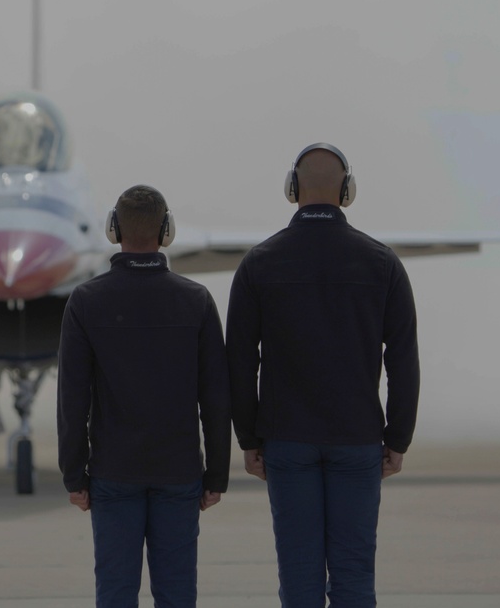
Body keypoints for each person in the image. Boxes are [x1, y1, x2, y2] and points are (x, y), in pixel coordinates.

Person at [226, 143, 421, 607]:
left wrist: (248, 438)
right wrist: (398, 438)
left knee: (298, 576)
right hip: (357, 439)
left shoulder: (259, 262)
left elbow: (237, 360)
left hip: (287, 440)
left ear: (292, 190)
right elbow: (403, 360)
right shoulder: (383, 263)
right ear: (347, 191)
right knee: (354, 574)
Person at [57, 184, 232, 608]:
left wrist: (74, 475)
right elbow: (215, 397)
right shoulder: (196, 300)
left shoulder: (85, 301)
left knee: (115, 593)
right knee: (176, 594)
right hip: (179, 473)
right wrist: (216, 475)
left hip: (113, 474)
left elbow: (72, 400)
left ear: (113, 229)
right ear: (166, 230)